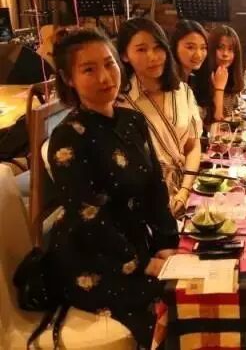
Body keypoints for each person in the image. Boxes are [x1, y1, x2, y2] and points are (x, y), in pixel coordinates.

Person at [47, 28, 178, 348]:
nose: (105, 77)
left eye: (109, 64)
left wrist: (166, 242)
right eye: (89, 69)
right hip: (93, 256)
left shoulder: (133, 121)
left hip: (137, 240)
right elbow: (87, 216)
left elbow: (155, 187)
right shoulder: (68, 137)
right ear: (68, 78)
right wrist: (143, 262)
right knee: (173, 303)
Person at [117, 18, 202, 217]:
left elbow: (192, 146)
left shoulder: (182, 92)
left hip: (186, 189)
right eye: (141, 49)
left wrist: (184, 191)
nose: (153, 57)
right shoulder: (121, 103)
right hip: (146, 202)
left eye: (158, 47)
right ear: (124, 55)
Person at [171, 19, 212, 127]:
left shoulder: (194, 78)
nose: (198, 54)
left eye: (203, 48)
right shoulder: (171, 84)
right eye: (190, 47)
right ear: (175, 47)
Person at [208, 25, 244, 122]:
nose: (225, 54)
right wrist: (219, 88)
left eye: (230, 49)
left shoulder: (231, 77)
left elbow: (231, 117)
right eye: (220, 48)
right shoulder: (202, 79)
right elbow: (218, 119)